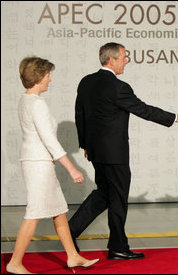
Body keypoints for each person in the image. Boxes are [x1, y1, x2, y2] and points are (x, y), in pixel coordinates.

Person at [68, 42, 178, 260]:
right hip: (115, 153)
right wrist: (177, 118)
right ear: (112, 60)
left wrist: (85, 145)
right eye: (124, 57)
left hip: (96, 152)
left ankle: (70, 231)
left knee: (103, 194)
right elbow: (144, 110)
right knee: (117, 198)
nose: (126, 61)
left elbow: (79, 114)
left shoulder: (86, 82)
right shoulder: (118, 87)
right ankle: (118, 247)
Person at [6, 57, 99, 274]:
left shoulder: (25, 99)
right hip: (38, 163)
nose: (50, 79)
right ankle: (15, 262)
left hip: (36, 161)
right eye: (48, 75)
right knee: (34, 212)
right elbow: (49, 140)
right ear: (39, 77)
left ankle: (73, 256)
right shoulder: (37, 103)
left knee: (58, 210)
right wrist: (72, 168)